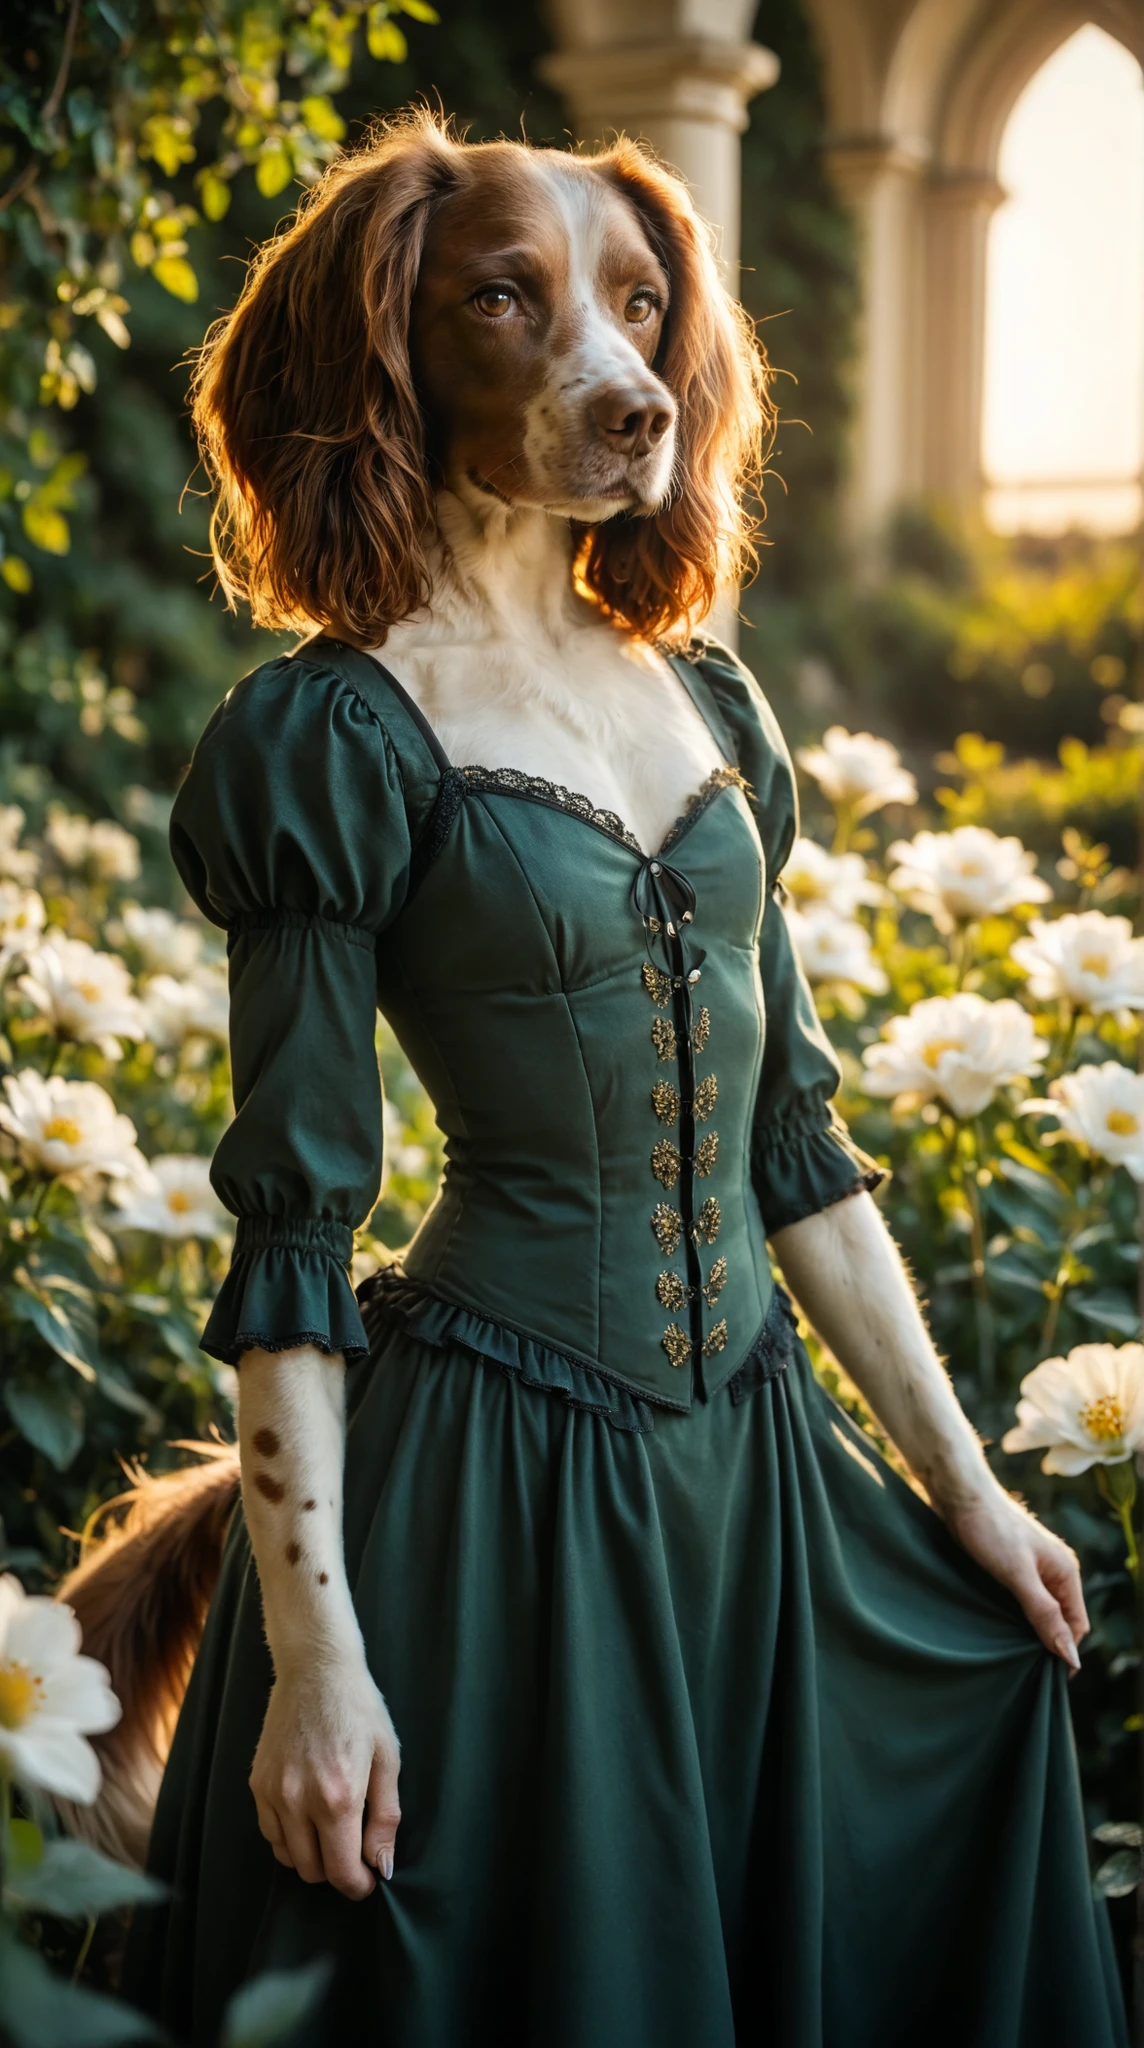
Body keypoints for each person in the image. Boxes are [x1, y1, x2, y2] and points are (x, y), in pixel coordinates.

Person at [122, 112, 1127, 2046]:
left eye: (640, 310)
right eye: (513, 303)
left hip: (754, 1475)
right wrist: (316, 1660)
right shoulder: (333, 733)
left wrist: (970, 1491)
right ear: (388, 350)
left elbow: (793, 1150)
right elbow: (296, 1231)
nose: (618, 372)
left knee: (952, 1751)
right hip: (497, 1501)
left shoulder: (707, 698)